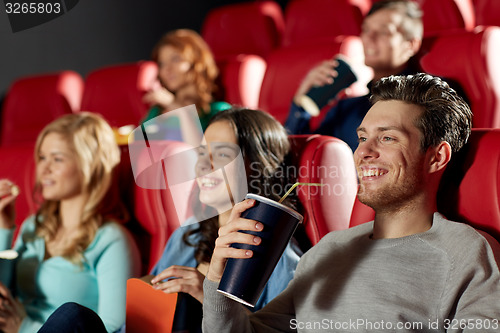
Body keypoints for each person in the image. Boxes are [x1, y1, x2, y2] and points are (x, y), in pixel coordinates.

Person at [202, 73, 500, 332]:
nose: (363, 152)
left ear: (436, 157)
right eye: (362, 138)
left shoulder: (468, 254)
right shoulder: (326, 250)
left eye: (387, 139)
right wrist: (218, 282)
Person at [36, 108, 302, 333]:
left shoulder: (280, 257)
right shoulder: (189, 235)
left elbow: (277, 327)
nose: (204, 164)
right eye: (201, 153)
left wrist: (205, 294)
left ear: (257, 165)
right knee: (72, 317)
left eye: (221, 154)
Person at [0, 112, 140, 333]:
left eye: (57, 159)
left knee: (69, 314)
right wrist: (4, 230)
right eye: (42, 158)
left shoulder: (111, 239)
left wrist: (24, 327)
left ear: (89, 166)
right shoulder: (34, 225)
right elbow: (3, 291)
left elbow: (113, 328)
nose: (43, 169)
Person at [285, 0, 423, 151]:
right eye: (366, 30)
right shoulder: (346, 108)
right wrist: (301, 104)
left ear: (411, 44)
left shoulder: (430, 98)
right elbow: (299, 156)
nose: (369, 38)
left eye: (384, 31)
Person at [140, 29, 231, 145]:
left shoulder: (218, 112)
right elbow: (137, 148)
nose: (167, 69)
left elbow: (203, 157)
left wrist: (178, 109)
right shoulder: (157, 111)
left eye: (175, 59)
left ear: (197, 62)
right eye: (161, 64)